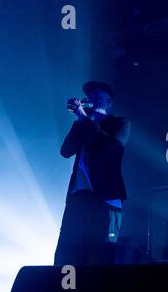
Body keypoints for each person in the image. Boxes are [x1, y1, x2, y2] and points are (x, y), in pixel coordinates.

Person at [54, 81, 130, 266]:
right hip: (78, 197)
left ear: (109, 102)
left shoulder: (119, 124)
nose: (92, 101)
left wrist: (84, 119)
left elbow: (109, 148)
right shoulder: (82, 124)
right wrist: (81, 121)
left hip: (105, 198)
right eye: (90, 97)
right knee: (68, 252)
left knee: (100, 253)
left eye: (98, 97)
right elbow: (65, 151)